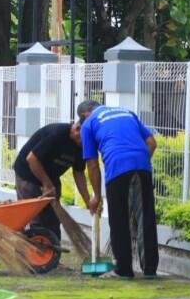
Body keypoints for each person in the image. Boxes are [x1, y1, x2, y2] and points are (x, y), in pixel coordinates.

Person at [77, 99, 158, 279]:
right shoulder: (127, 112)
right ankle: (150, 269)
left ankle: (124, 270)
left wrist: (96, 196)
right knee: (146, 218)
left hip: (117, 167)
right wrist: (140, 161)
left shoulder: (88, 124)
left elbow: (92, 164)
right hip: (142, 165)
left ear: (84, 115)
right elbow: (152, 143)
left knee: (119, 219)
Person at [12, 118, 97, 271]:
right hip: (28, 175)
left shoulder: (81, 144)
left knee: (53, 219)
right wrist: (46, 183)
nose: (86, 145)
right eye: (85, 139)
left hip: (50, 177)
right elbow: (32, 159)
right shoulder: (57, 134)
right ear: (77, 129)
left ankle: (52, 260)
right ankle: (34, 259)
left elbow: (78, 173)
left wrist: (87, 200)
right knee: (36, 218)